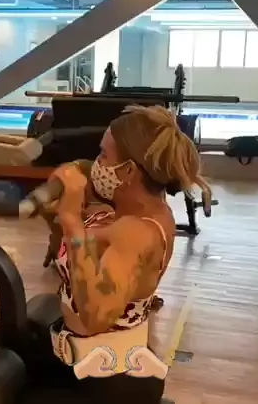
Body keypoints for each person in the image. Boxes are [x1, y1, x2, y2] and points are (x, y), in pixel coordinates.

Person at [23, 105, 212, 403]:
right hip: (83, 366)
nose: (96, 163)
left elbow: (95, 316)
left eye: (103, 155)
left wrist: (72, 221)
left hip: (111, 384)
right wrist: (58, 213)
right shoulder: (122, 209)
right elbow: (76, 257)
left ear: (127, 171)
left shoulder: (139, 233)